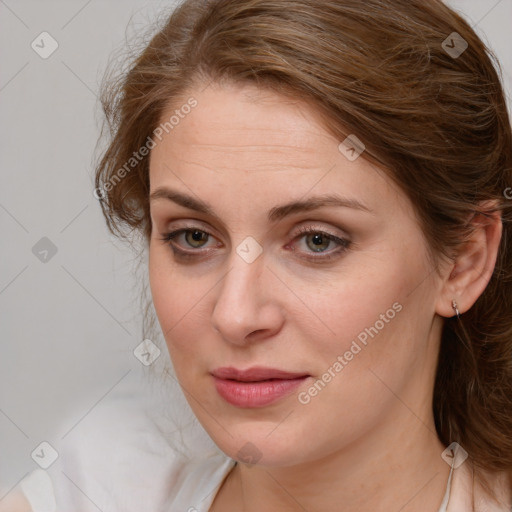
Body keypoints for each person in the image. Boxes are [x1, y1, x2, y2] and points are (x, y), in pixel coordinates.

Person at [21, 0, 512, 510]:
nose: (235, 316)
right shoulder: (90, 486)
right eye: (193, 237)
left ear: (463, 262)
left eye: (317, 240)